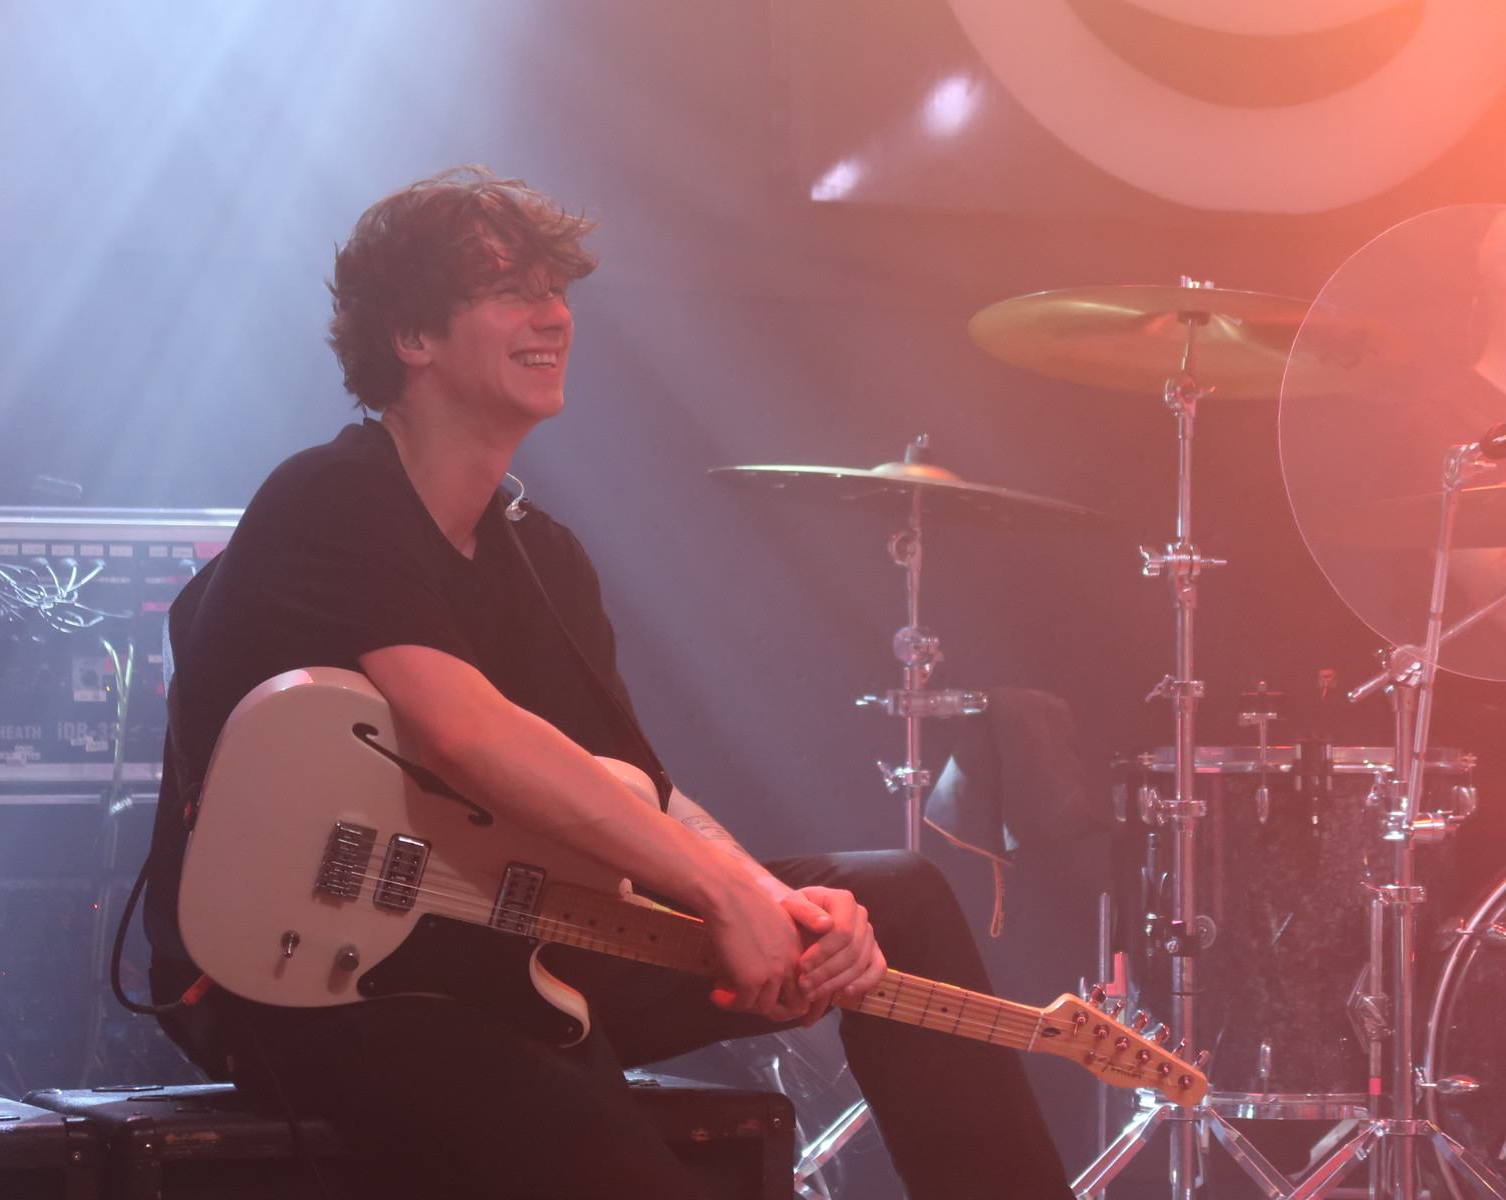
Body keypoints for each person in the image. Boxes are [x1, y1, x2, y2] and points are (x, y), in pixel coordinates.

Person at [143, 166, 1072, 1199]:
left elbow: (643, 793)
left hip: (498, 941)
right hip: (313, 980)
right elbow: (464, 731)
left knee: (895, 899)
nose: (554, 316)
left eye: (557, 290)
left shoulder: (543, 556)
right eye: (510, 291)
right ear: (410, 337)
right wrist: (724, 893)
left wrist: (782, 907)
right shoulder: (332, 498)